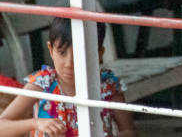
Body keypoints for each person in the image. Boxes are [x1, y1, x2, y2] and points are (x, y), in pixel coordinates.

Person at [0, 18, 136, 137]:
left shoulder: (108, 86)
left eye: (79, 54)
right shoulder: (42, 84)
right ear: (51, 50)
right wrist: (36, 123)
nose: (69, 63)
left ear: (99, 53)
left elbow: (129, 131)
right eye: (62, 52)